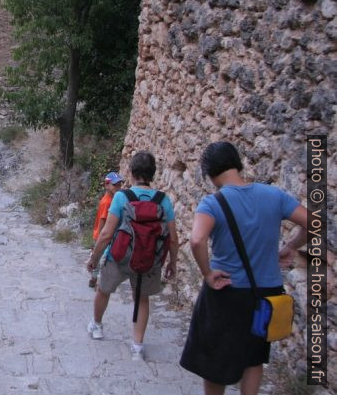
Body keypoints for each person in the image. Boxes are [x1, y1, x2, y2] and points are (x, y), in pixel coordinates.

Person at [180, 141, 308, 395]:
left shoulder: (212, 203)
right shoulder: (274, 195)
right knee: (253, 356)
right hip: (266, 295)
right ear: (237, 163)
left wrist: (207, 274)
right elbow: (313, 222)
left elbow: (196, 240)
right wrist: (292, 246)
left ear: (209, 172)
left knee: (215, 359)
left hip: (227, 292)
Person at [85, 151, 178, 361]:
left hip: (120, 255)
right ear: (153, 174)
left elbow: (107, 233)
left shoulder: (121, 197)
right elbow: (173, 238)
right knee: (141, 298)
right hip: (149, 257)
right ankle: (137, 346)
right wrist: (172, 262)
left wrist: (94, 258)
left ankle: (97, 326)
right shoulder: (163, 200)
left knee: (104, 290)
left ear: (132, 172)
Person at [89, 171, 124, 288]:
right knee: (100, 259)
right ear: (106, 185)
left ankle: (93, 279)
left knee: (98, 258)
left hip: (99, 235)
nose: (118, 187)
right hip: (101, 235)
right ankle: (97, 281)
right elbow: (103, 221)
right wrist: (100, 238)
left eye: (119, 184)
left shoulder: (108, 199)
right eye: (115, 185)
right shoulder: (108, 202)